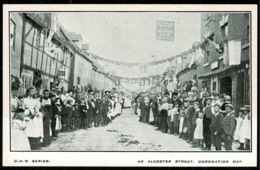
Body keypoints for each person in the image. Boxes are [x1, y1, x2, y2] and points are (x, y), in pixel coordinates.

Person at [23, 86, 43, 150]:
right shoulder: (25, 99)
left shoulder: (35, 100)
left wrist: (36, 112)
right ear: (28, 92)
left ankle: (34, 144)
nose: (31, 93)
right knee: (27, 129)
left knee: (34, 129)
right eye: (30, 91)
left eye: (33, 91)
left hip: (34, 116)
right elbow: (23, 107)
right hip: (27, 115)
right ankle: (27, 143)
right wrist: (27, 112)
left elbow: (37, 108)